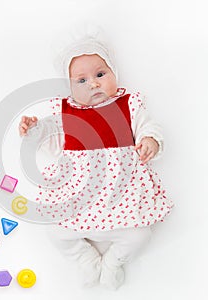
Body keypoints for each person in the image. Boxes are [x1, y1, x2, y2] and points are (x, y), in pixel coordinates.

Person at [18, 26, 173, 290]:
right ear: (70, 86)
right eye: (82, 80)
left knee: (141, 236)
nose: (93, 83)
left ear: (114, 73)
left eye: (101, 74)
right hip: (79, 199)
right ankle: (84, 258)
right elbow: (53, 145)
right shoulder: (66, 112)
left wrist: (150, 142)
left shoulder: (127, 104)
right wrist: (34, 131)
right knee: (55, 232)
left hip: (122, 201)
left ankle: (113, 263)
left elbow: (149, 127)